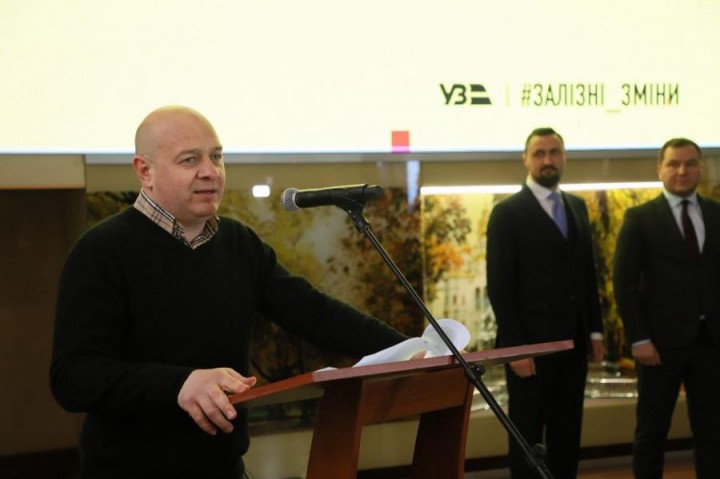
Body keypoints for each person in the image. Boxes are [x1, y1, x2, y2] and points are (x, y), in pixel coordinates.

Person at [49, 105, 408, 479]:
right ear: (145, 171)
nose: (210, 171)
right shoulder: (101, 251)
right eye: (190, 160)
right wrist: (179, 384)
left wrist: (413, 348)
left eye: (216, 157)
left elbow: (314, 314)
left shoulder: (239, 242)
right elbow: (73, 377)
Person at [486, 127, 606, 478]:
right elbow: (500, 285)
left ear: (564, 158)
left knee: (567, 434)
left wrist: (595, 331)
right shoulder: (506, 212)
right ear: (526, 159)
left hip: (573, 345)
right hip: (530, 350)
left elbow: (587, 274)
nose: (547, 160)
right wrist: (516, 348)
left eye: (554, 152)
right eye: (539, 153)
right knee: (526, 439)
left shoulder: (577, 207)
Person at [613, 138, 720, 479]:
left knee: (713, 432)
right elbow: (624, 284)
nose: (682, 170)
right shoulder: (639, 218)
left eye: (690, 163)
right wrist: (639, 338)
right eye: (673, 163)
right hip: (658, 347)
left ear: (700, 169)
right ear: (659, 169)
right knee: (652, 432)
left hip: (710, 343)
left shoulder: (716, 214)